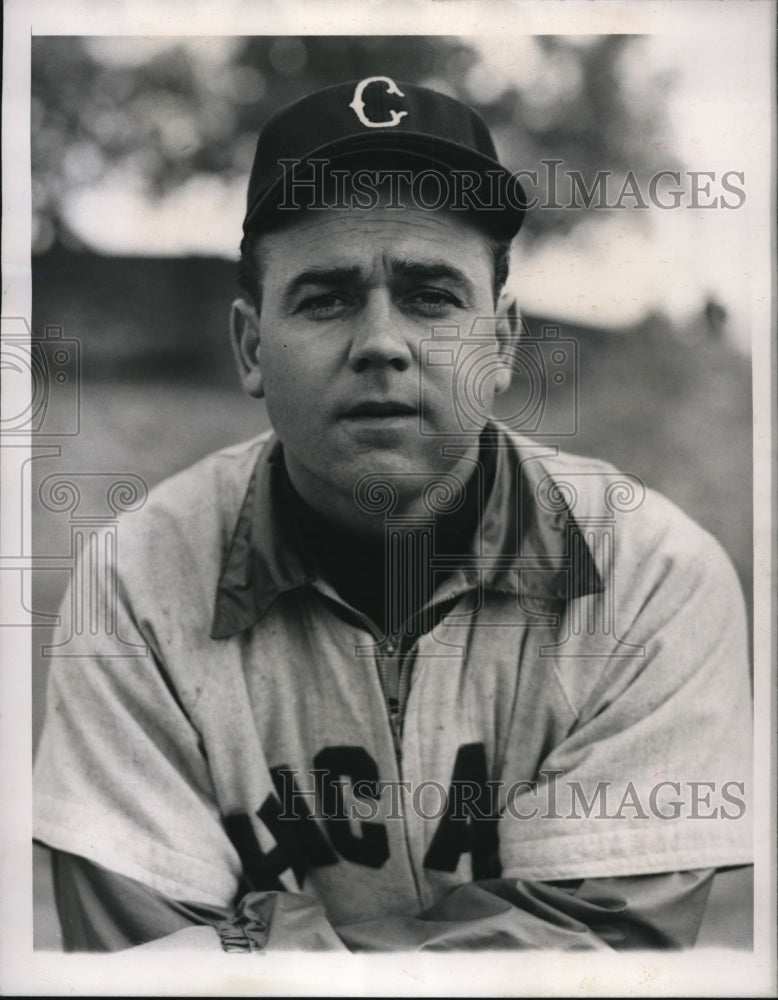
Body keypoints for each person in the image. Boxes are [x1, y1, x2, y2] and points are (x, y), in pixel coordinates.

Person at [34, 77, 753, 952]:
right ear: (251, 346)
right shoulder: (134, 584)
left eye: (431, 296)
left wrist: (250, 945)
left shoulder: (652, 578)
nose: (380, 342)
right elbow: (141, 970)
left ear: (501, 342)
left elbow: (595, 955)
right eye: (327, 297)